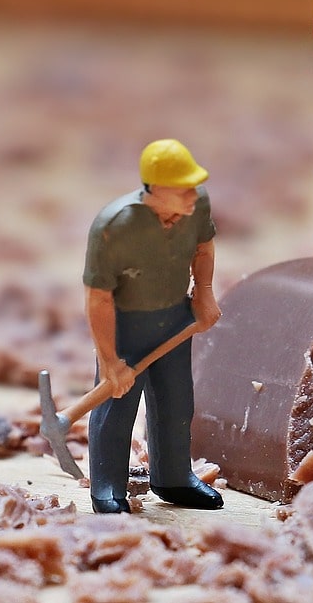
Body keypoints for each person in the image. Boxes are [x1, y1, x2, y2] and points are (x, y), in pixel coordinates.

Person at [82, 139, 224, 514]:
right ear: (156, 189)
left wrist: (204, 295)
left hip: (175, 317)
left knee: (177, 401)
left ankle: (174, 477)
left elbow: (204, 249)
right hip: (126, 325)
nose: (193, 195)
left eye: (194, 186)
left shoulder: (197, 206)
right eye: (183, 189)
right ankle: (108, 486)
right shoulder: (114, 227)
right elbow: (98, 298)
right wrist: (110, 360)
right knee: (117, 405)